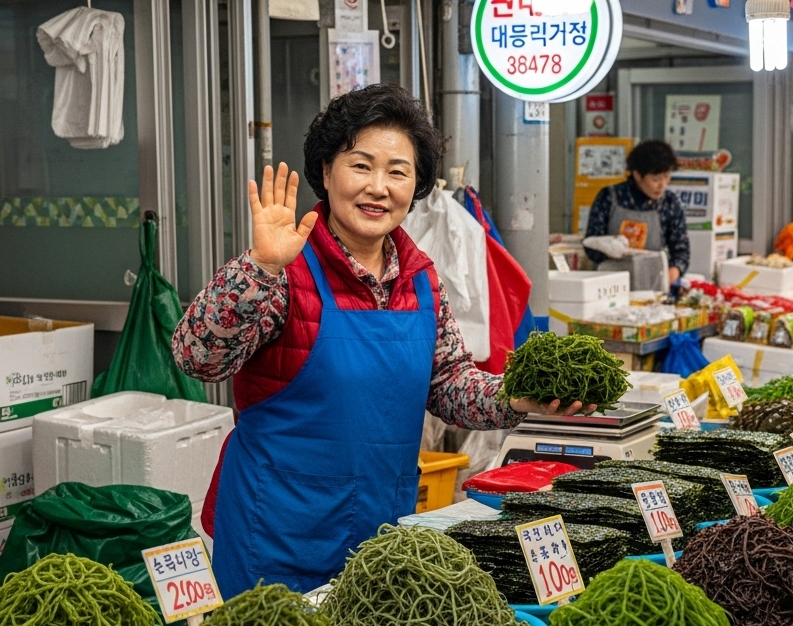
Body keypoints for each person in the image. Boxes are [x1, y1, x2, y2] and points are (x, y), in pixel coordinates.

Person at [172, 83, 595, 598]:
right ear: (326, 172)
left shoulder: (420, 278)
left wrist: (515, 399)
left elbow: (449, 383)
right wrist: (258, 268)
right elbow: (197, 358)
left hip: (379, 529)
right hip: (273, 535)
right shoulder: (282, 270)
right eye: (361, 165)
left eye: (398, 171)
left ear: (415, 186)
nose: (379, 187)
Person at [584, 139, 690, 288]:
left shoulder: (670, 203)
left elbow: (681, 250)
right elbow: (590, 245)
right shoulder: (609, 197)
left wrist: (672, 274)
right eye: (656, 179)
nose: (663, 185)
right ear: (637, 175)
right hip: (609, 284)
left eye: (667, 177)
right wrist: (607, 248)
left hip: (653, 285)